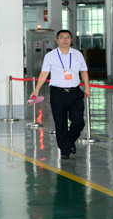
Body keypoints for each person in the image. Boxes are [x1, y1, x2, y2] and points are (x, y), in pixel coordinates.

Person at [31, 29, 90, 159]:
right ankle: (65, 150)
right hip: (58, 93)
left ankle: (69, 141)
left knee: (79, 122)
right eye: (62, 37)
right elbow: (44, 73)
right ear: (57, 40)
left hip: (75, 92)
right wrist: (36, 89)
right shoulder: (50, 56)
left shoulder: (78, 54)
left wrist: (87, 87)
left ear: (71, 40)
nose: (65, 40)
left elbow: (83, 71)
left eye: (68, 37)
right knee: (61, 123)